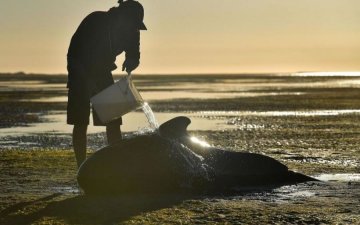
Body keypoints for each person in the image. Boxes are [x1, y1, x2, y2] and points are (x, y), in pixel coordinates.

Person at [66, 0, 147, 167]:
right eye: (132, 23)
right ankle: (81, 165)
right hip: (79, 70)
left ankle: (116, 162)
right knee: (80, 121)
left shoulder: (132, 30)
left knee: (113, 120)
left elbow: (134, 53)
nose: (133, 28)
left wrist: (132, 61)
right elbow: (74, 51)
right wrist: (82, 77)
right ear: (122, 16)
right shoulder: (95, 20)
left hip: (103, 71)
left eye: (135, 25)